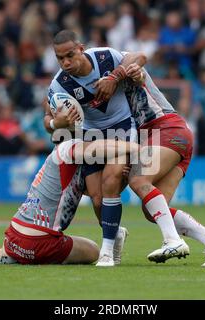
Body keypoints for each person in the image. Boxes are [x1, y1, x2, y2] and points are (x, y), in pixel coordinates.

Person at [0, 137, 139, 265]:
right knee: (92, 250)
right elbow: (98, 193)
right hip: (42, 242)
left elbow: (94, 191)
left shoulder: (69, 166)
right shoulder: (69, 148)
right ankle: (26, 257)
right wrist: (134, 147)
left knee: (1, 252)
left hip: (15, 235)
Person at [111, 52, 205, 266]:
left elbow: (138, 59)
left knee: (139, 180)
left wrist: (134, 74)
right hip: (170, 135)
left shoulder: (118, 62)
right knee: (153, 211)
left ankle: (172, 240)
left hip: (165, 129)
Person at [47, 30, 143, 267]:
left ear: (81, 48)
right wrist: (55, 124)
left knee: (111, 181)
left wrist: (115, 77)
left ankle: (107, 251)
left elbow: (140, 57)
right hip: (90, 138)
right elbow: (47, 117)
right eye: (60, 58)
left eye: (70, 55)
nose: (66, 62)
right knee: (98, 200)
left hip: (122, 128)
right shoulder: (60, 83)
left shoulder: (105, 57)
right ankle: (116, 232)